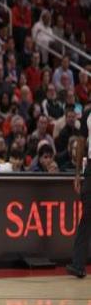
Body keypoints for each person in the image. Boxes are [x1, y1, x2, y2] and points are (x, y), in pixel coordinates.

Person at [66, 103, 91, 278]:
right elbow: (81, 143)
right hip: (90, 167)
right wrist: (77, 174)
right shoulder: (88, 114)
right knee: (87, 215)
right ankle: (78, 264)